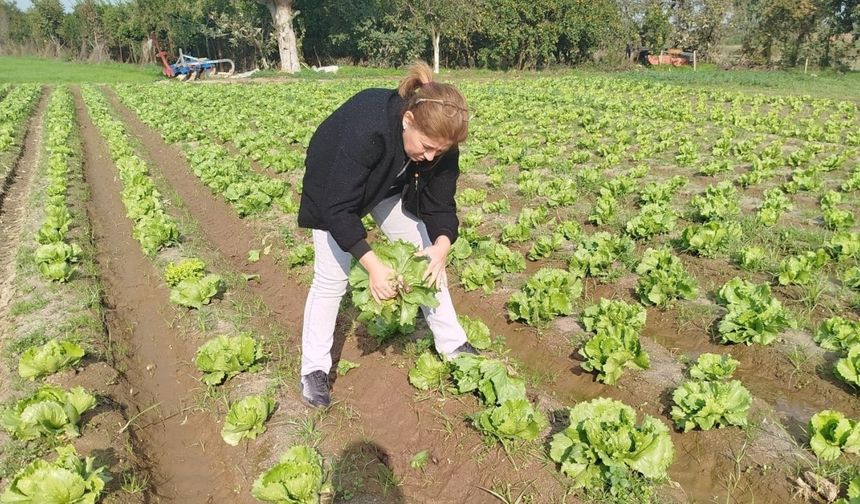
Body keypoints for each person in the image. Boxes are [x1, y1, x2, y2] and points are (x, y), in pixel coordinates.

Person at [296, 61, 478, 408]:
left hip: (388, 182)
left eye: (437, 152)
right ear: (408, 120)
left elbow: (441, 205)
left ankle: (453, 345)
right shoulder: (368, 125)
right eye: (425, 147)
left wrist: (442, 246)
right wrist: (373, 266)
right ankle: (314, 372)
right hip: (334, 183)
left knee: (426, 256)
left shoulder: (440, 143)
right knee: (331, 279)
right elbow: (338, 208)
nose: (429, 157)